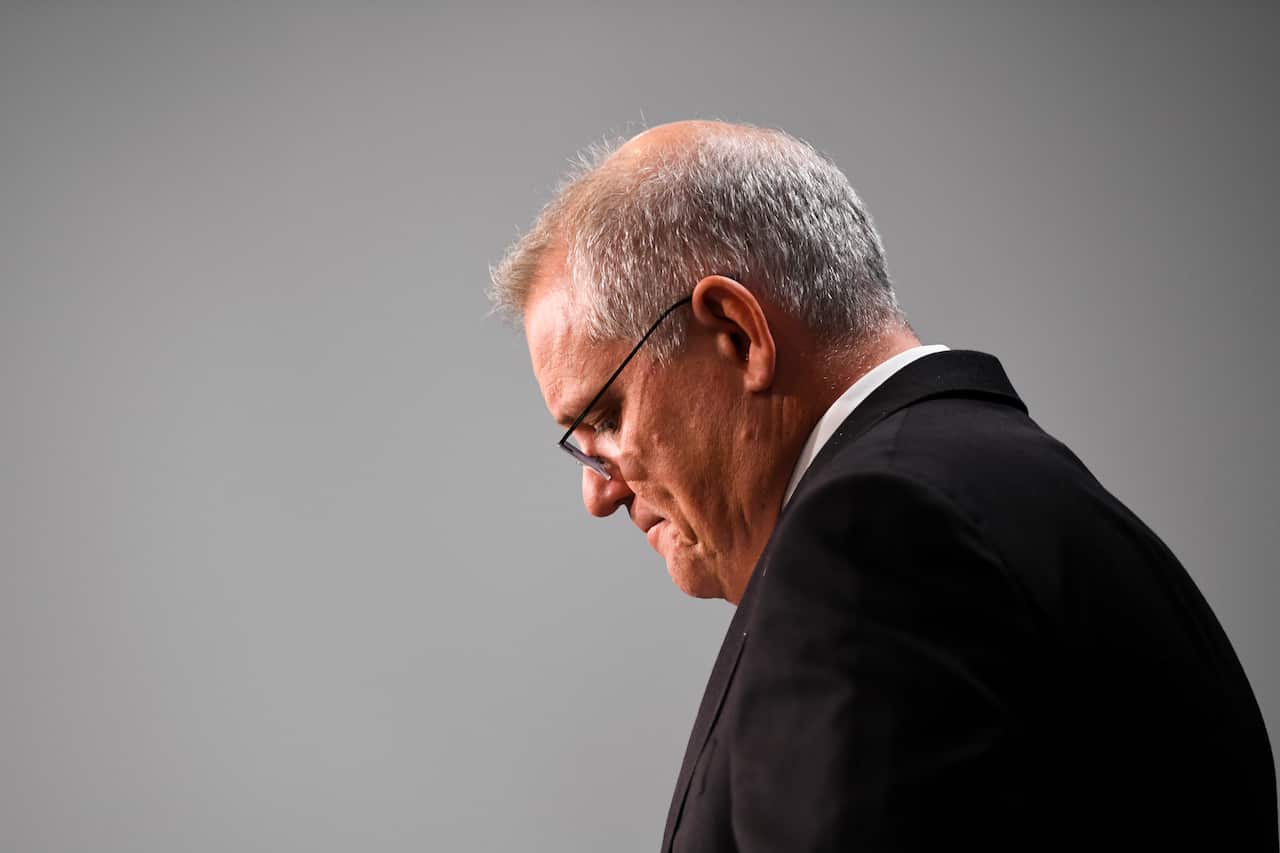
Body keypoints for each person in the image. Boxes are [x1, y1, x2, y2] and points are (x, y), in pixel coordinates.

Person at [489, 120, 1277, 851]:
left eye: (607, 414)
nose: (601, 491)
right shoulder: (1034, 499)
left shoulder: (869, 543)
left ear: (736, 332)